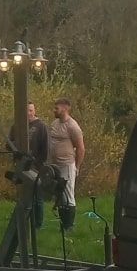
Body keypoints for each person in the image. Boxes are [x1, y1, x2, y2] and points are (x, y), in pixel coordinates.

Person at [9, 102, 50, 228]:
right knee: (22, 194)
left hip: (36, 165)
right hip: (21, 164)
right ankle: (23, 221)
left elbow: (45, 147)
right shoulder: (16, 126)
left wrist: (39, 164)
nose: (29, 113)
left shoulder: (41, 126)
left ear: (34, 111)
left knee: (37, 196)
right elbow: (8, 143)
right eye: (26, 110)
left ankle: (37, 224)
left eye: (31, 110)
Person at [48, 98, 85, 230]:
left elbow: (80, 148)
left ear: (65, 109)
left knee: (68, 195)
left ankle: (69, 226)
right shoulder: (55, 124)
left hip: (67, 164)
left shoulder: (73, 126)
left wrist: (77, 167)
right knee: (59, 194)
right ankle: (63, 223)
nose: (54, 110)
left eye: (56, 108)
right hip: (55, 165)